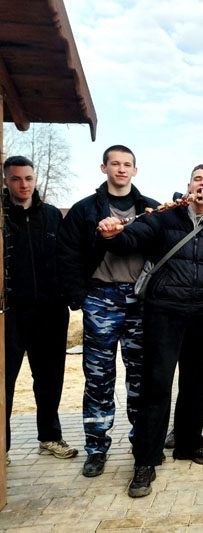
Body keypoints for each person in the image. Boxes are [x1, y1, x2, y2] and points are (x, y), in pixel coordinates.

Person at [97, 163, 203, 498]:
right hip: (164, 313)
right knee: (156, 386)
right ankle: (146, 460)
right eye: (198, 179)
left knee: (195, 382)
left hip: (201, 316)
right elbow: (132, 239)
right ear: (189, 186)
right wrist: (113, 234)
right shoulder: (165, 216)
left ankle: (189, 443)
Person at [57, 145, 158, 478]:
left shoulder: (150, 209)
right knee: (98, 378)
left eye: (127, 164)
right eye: (115, 163)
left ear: (135, 170)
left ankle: (140, 444)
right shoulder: (85, 210)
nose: (121, 169)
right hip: (100, 298)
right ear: (104, 168)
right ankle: (96, 447)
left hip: (139, 301)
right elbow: (67, 255)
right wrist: (79, 297)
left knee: (140, 377)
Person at [3, 156, 76, 463]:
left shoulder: (51, 215)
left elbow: (67, 257)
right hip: (10, 313)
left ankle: (50, 437)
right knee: (4, 381)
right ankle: (2, 448)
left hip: (50, 311)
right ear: (6, 181)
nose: (24, 184)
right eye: (16, 178)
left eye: (28, 178)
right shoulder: (2, 217)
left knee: (49, 379)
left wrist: (70, 295)